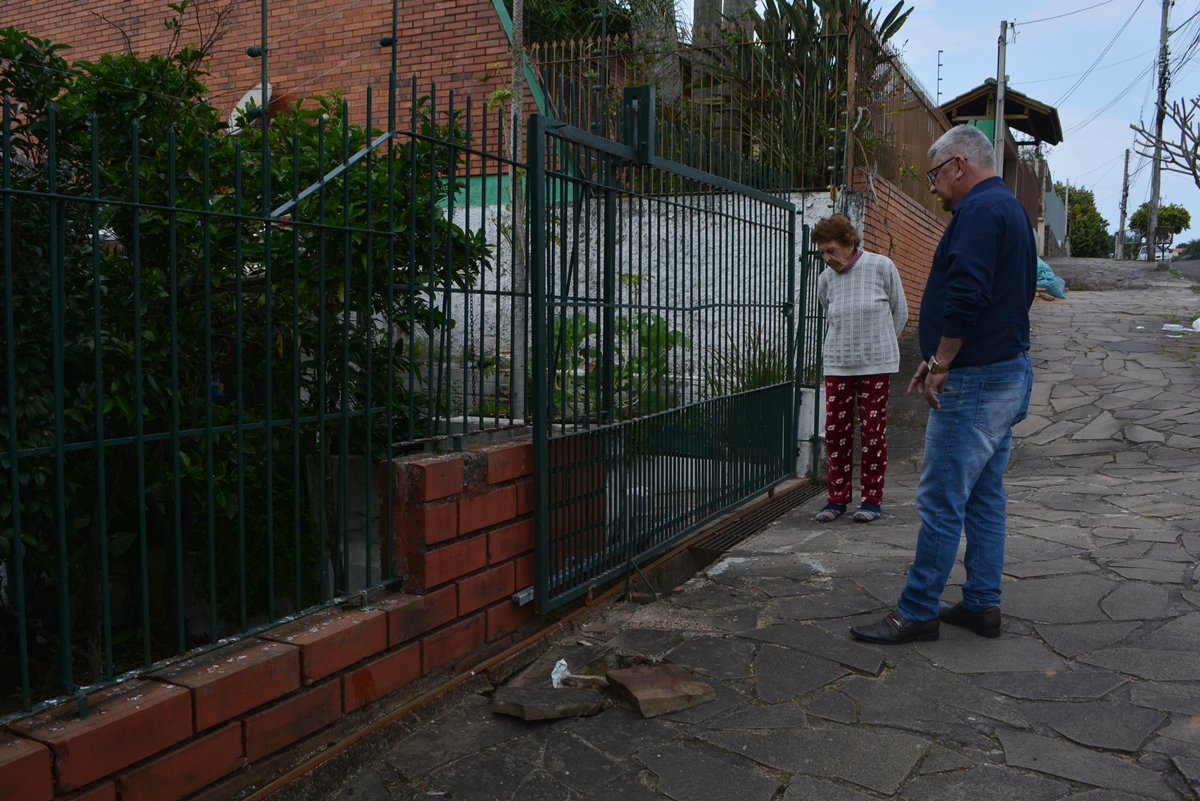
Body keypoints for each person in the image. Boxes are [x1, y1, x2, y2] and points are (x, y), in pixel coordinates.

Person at [850, 124, 1036, 645]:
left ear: (958, 164)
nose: (932, 187)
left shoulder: (978, 211)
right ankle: (981, 604)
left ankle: (917, 610)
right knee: (983, 495)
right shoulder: (1011, 210)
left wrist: (942, 362)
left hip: (976, 379)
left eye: (934, 175)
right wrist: (934, 356)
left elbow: (969, 294)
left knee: (940, 498)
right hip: (1005, 371)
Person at [811, 214, 908, 524]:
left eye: (831, 250)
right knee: (836, 432)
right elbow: (831, 314)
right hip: (838, 363)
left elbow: (900, 313)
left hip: (876, 365)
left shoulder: (881, 266)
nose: (827, 258)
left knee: (872, 431)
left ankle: (871, 499)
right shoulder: (825, 279)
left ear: (850, 243)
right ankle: (836, 499)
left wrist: (879, 346)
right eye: (822, 252)